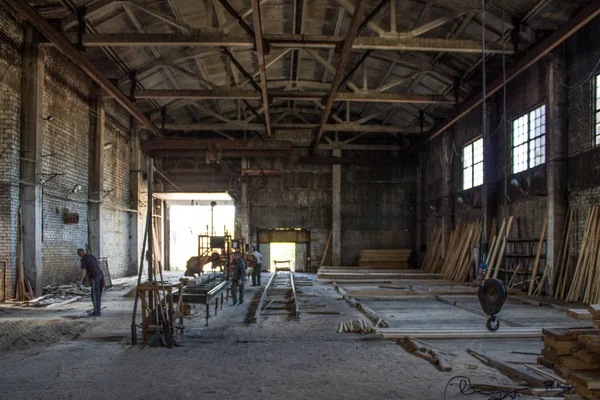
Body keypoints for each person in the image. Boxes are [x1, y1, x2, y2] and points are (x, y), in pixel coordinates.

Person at [77, 248, 104, 316]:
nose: (79, 256)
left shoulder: (84, 259)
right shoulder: (92, 257)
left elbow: (84, 271)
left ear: (80, 254)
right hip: (101, 276)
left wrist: (80, 281)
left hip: (95, 277)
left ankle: (96, 312)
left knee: (94, 295)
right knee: (98, 295)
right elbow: (98, 267)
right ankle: (98, 310)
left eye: (78, 254)